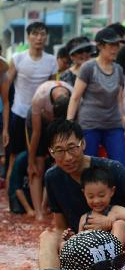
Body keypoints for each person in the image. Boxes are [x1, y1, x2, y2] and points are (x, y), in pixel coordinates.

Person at [40, 120, 125, 270]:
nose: (67, 157)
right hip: (84, 246)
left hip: (123, 244)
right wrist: (68, 237)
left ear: (83, 144)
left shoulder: (112, 168)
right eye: (59, 150)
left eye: (72, 148)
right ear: (50, 152)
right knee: (47, 237)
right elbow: (60, 226)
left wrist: (110, 221)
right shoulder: (52, 177)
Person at [2, 22, 58, 181]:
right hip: (19, 113)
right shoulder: (18, 58)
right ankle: (11, 198)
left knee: (40, 158)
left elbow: (52, 88)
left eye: (42, 34)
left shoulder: (51, 60)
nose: (39, 38)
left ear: (46, 37)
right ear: (28, 37)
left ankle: (35, 197)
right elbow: (6, 88)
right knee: (13, 158)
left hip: (41, 116)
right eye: (35, 34)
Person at [67, 27, 125, 167]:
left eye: (117, 45)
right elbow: (75, 97)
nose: (115, 49)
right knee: (88, 167)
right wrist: (69, 125)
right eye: (111, 45)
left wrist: (122, 127)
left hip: (113, 125)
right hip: (90, 124)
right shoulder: (88, 67)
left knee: (120, 166)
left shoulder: (118, 69)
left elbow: (119, 101)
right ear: (100, 46)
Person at [26, 79, 73, 218]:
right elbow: (36, 133)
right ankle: (38, 212)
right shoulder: (40, 97)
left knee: (58, 163)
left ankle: (45, 206)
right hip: (37, 121)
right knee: (37, 166)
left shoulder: (75, 96)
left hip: (61, 126)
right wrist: (31, 161)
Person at [78, 164, 125, 245]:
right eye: (91, 196)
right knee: (63, 244)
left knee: (120, 224)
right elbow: (79, 240)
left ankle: (115, 253)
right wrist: (71, 237)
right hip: (92, 252)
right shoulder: (84, 218)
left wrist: (113, 218)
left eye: (101, 195)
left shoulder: (115, 210)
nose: (96, 201)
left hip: (113, 250)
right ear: (84, 193)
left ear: (112, 191)